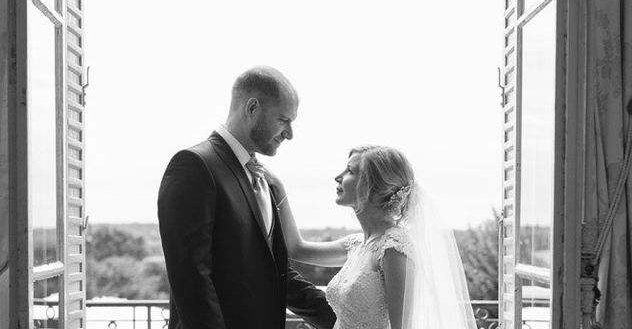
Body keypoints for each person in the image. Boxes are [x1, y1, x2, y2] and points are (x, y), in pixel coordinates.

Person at [157, 66, 336, 329]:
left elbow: (273, 273)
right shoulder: (194, 166)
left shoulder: (264, 179)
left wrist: (346, 319)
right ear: (252, 108)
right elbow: (191, 279)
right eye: (283, 120)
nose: (290, 134)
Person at [267, 145, 477, 329]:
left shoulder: (394, 248)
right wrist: (279, 189)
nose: (338, 177)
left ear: (372, 185)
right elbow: (296, 249)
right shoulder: (357, 244)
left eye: (350, 171)